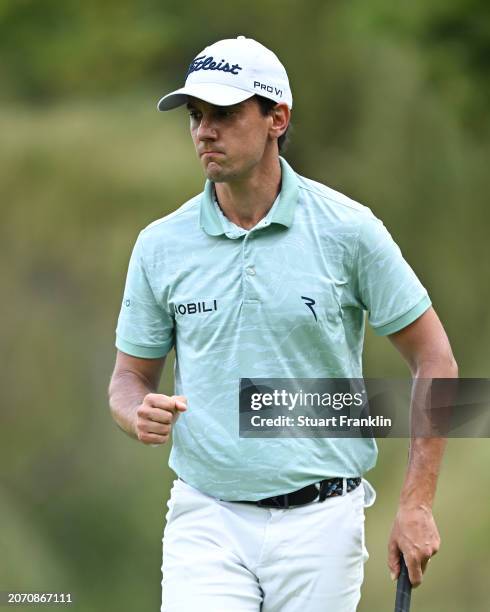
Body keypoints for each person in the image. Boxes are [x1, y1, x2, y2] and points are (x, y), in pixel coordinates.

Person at [108, 36, 458, 612]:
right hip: (207, 517)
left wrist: (416, 503)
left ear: (277, 118)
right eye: (196, 116)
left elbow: (435, 359)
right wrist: (133, 409)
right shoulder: (159, 245)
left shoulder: (350, 230)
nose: (204, 131)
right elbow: (129, 377)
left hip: (322, 523)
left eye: (224, 113)